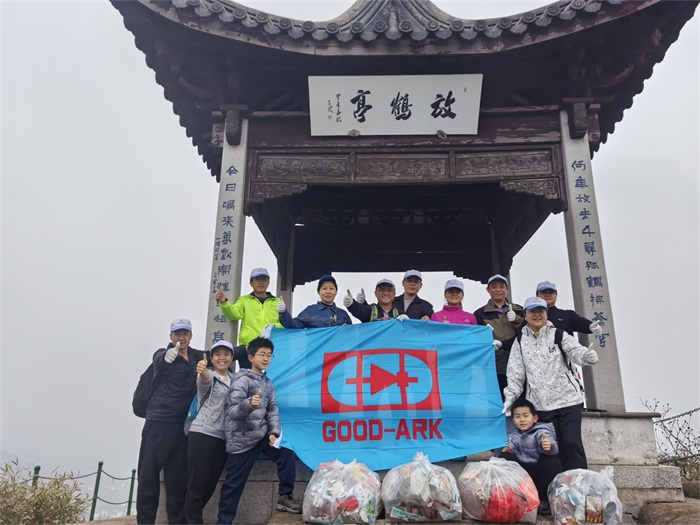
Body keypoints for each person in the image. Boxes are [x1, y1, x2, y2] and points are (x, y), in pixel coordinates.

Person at [502, 296, 599, 471]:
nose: (537, 315)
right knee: (548, 448)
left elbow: (576, 352)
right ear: (525, 314)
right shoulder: (520, 341)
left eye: (541, 311)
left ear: (547, 313)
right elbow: (516, 374)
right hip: (541, 405)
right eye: (532, 311)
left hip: (568, 401)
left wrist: (586, 356)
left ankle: (579, 483)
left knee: (571, 443)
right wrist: (510, 398)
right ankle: (555, 484)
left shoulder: (559, 334)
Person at [217, 337, 301, 524]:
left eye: (269, 355)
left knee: (286, 453)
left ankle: (284, 496)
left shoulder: (268, 383)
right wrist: (249, 404)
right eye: (262, 354)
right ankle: (223, 522)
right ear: (251, 357)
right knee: (233, 485)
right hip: (241, 439)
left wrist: (273, 432)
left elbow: (272, 410)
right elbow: (232, 412)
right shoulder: (241, 380)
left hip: (261, 435)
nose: (265, 359)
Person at [137, 319, 206, 524]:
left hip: (182, 427)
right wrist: (166, 358)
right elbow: (158, 359)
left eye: (185, 334)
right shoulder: (164, 354)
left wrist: (253, 346)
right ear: (170, 336)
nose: (181, 338)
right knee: (148, 476)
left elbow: (223, 355)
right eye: (177, 334)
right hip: (159, 422)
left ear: (191, 336)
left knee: (177, 480)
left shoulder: (196, 357)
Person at [179, 341, 235, 524]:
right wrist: (202, 370)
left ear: (231, 358)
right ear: (212, 358)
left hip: (222, 438)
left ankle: (181, 521)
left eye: (226, 354)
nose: (222, 358)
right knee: (196, 485)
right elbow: (204, 380)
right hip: (202, 434)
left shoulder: (235, 380)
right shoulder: (210, 375)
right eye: (217, 354)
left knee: (209, 486)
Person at [501, 399, 562, 516]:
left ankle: (544, 501)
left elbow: (552, 445)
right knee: (505, 457)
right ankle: (514, 496)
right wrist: (509, 450)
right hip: (525, 475)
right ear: (513, 421)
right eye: (517, 417)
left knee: (550, 460)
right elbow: (511, 448)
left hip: (541, 473)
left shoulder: (541, 432)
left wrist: (548, 446)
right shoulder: (512, 436)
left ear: (534, 418)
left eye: (525, 416)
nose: (522, 420)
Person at [215, 267, 283, 369]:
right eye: (257, 279)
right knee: (247, 376)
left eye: (264, 279)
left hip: (271, 348)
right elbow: (234, 314)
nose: (261, 282)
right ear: (251, 283)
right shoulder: (244, 300)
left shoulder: (277, 302)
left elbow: (285, 324)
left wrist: (275, 326)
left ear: (268, 282)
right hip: (249, 348)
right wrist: (224, 302)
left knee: (270, 377)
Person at [473, 274, 524, 398]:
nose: (498, 290)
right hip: (494, 367)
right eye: (494, 287)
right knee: (498, 401)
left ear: (507, 289)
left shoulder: (520, 310)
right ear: (488, 290)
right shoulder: (480, 314)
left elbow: (528, 333)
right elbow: (477, 340)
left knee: (520, 403)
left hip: (519, 365)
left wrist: (517, 320)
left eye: (501, 286)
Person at [277, 274, 351, 328]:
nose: (328, 292)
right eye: (324, 288)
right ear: (318, 292)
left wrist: (346, 331)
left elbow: (352, 336)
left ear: (336, 292)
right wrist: (283, 312)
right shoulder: (310, 311)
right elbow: (293, 325)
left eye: (331, 288)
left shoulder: (343, 315)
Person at [535, 281, 603, 337]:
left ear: (556, 295)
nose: (547, 295)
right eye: (544, 292)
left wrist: (590, 326)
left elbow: (580, 322)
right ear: (537, 296)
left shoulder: (566, 315)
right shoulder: (530, 316)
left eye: (551, 292)